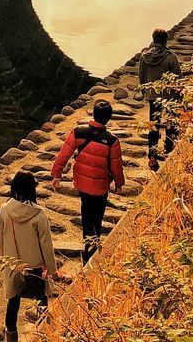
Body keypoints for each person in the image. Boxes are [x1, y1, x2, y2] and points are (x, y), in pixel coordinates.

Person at [50, 99, 124, 264]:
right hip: (101, 185)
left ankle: (88, 249)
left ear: (93, 114)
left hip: (82, 183)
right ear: (108, 118)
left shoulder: (78, 132)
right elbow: (117, 166)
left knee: (86, 213)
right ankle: (92, 251)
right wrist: (119, 184)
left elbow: (64, 154)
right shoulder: (112, 141)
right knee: (97, 217)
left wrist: (57, 174)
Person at [0, 170, 57, 341]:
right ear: (33, 189)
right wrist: (52, 269)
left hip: (13, 264)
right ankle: (43, 334)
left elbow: (0, 237)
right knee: (41, 300)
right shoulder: (39, 214)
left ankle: (11, 336)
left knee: (13, 302)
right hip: (35, 266)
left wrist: (5, 257)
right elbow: (46, 244)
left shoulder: (5, 210)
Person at [137, 29, 182, 171]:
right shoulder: (170, 57)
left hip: (152, 96)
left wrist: (146, 91)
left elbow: (142, 77)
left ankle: (152, 156)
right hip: (169, 97)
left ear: (153, 39)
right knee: (171, 123)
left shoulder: (144, 57)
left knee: (153, 125)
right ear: (165, 40)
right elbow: (177, 78)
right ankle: (168, 150)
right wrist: (178, 95)